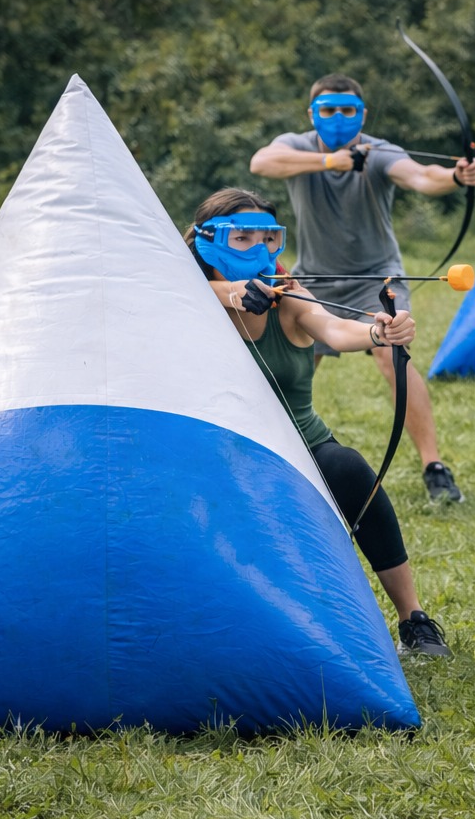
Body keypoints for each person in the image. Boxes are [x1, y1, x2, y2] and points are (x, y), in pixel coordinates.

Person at [185, 187, 451, 657]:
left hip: (299, 444)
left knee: (349, 469)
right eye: (241, 238)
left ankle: (413, 620)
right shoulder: (181, 294)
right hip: (217, 448)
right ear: (208, 241)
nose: (258, 249)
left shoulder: (288, 296)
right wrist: (228, 293)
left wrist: (378, 332)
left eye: (267, 238)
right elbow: (151, 286)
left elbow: (334, 328)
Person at [250, 74, 475, 503]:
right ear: (312, 114)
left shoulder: (378, 152)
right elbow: (261, 163)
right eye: (328, 110)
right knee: (292, 365)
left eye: (348, 109)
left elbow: (422, 176)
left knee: (391, 354)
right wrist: (329, 162)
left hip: (378, 278)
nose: (338, 117)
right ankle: (269, 455)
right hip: (313, 277)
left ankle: (434, 467)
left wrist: (456, 176)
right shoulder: (298, 146)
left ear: (362, 114)